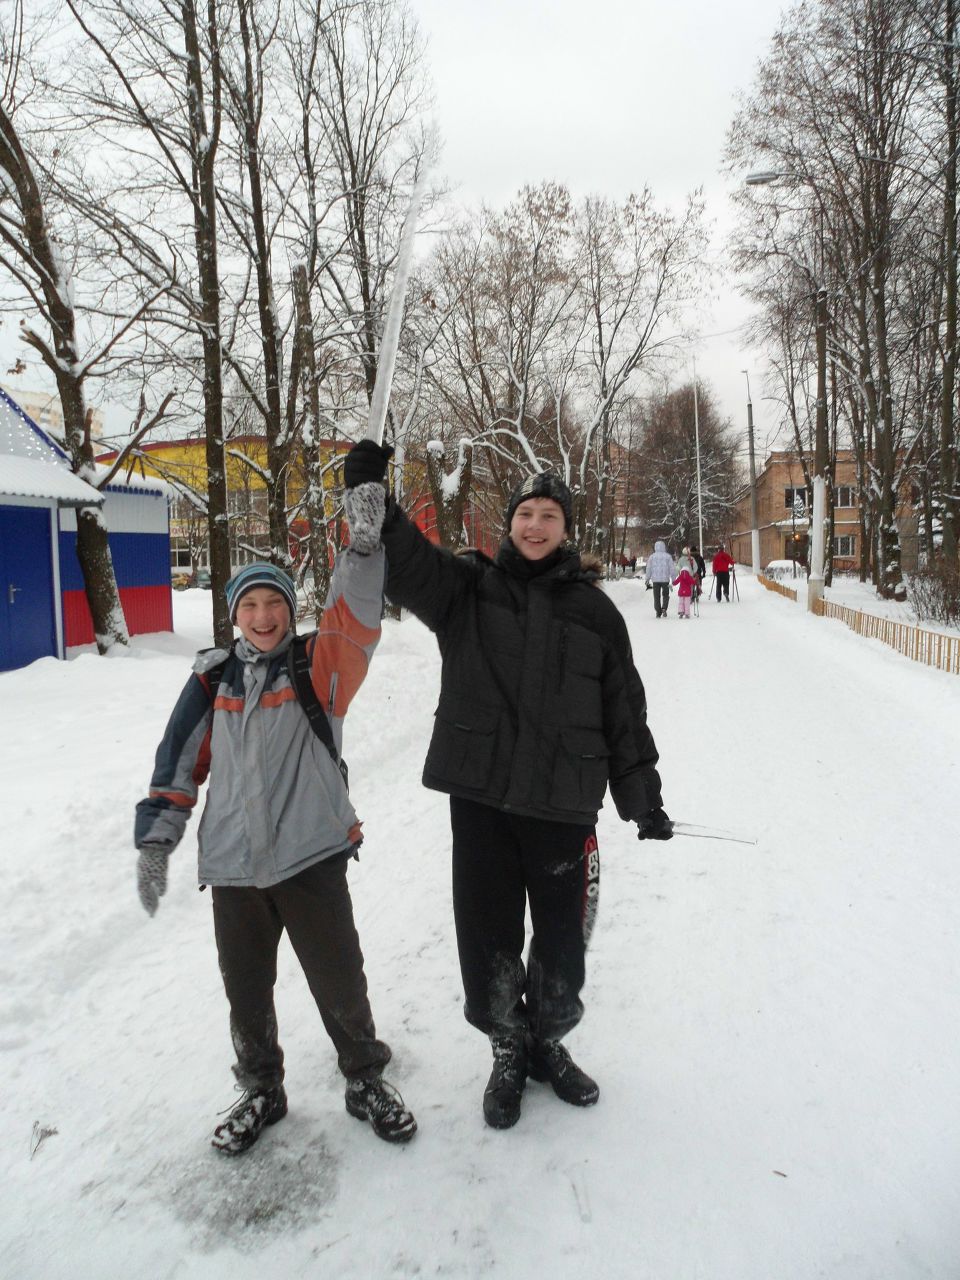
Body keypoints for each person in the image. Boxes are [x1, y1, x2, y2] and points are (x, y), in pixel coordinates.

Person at [352, 445, 673, 1131]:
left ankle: (546, 1041)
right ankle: (507, 1045)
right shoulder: (469, 590)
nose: (534, 525)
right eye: (525, 513)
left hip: (563, 805)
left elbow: (623, 711)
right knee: (488, 935)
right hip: (484, 800)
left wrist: (641, 797)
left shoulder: (596, 614)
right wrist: (375, 495)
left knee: (562, 941)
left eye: (548, 515)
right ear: (510, 522)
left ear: (566, 527)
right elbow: (410, 563)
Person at [134, 464, 417, 1155]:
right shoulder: (210, 679)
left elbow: (357, 618)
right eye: (250, 607)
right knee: (247, 994)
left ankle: (363, 1077)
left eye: (275, 605)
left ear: (291, 610)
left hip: (310, 857)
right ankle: (261, 1088)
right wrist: (156, 840)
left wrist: (363, 544)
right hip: (233, 867)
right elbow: (178, 765)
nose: (263, 618)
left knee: (338, 979)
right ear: (235, 614)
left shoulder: (319, 667)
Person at [644, 539, 675, 618]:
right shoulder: (668, 556)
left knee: (656, 596)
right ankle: (664, 607)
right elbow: (672, 568)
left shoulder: (652, 557)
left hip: (655, 580)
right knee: (665, 595)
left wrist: (647, 578)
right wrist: (673, 578)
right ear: (664, 547)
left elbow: (649, 568)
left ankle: (658, 611)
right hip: (665, 580)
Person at [673, 548, 698, 619]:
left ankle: (681, 610)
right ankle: (688, 607)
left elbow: (678, 568)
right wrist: (693, 574)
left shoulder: (680, 559)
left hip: (682, 577)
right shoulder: (692, 559)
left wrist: (677, 574)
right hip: (690, 577)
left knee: (681, 598)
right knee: (689, 591)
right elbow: (696, 567)